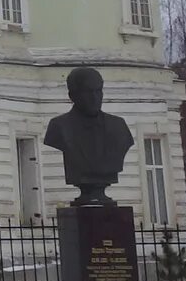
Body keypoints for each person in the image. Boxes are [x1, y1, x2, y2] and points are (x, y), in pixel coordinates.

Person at [42, 67, 135, 204]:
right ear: (72, 96)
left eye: (98, 91)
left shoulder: (118, 126)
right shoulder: (59, 127)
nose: (95, 98)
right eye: (88, 92)